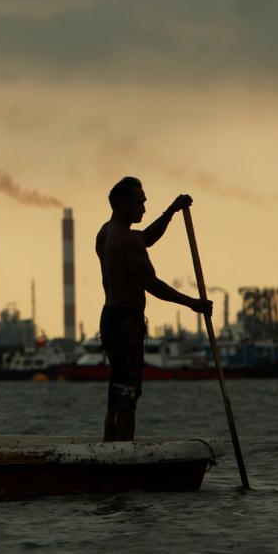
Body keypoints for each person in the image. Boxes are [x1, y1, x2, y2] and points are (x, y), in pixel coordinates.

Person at [95, 176, 213, 442]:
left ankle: (111, 449)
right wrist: (192, 303)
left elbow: (145, 238)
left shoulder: (106, 233)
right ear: (121, 204)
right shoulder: (126, 241)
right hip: (127, 322)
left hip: (110, 318)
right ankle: (122, 456)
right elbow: (151, 284)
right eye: (139, 203)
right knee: (128, 393)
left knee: (117, 392)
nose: (143, 209)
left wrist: (170, 212)